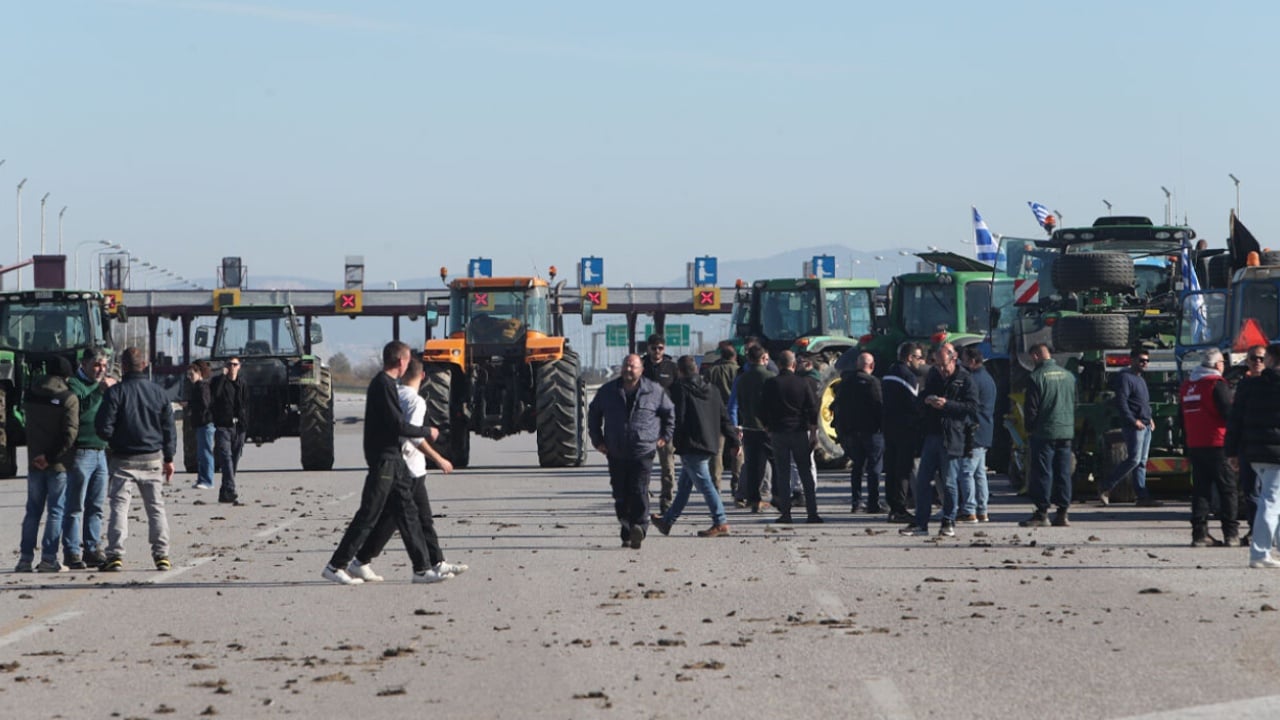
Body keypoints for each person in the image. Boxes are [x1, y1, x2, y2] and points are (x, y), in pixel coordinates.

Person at [322, 341, 438, 585]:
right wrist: (427, 431)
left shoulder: (389, 385)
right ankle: (336, 565)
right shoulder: (382, 385)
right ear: (400, 361)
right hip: (384, 460)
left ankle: (421, 569)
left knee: (407, 512)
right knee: (369, 514)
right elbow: (398, 426)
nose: (408, 364)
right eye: (407, 360)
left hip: (395, 460)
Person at [352, 358, 468, 582]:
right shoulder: (415, 401)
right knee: (401, 519)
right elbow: (412, 436)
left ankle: (436, 562)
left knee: (413, 518)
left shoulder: (394, 394)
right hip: (409, 468)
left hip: (403, 465)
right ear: (423, 376)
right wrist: (439, 458)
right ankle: (416, 567)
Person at [96, 348, 176, 572]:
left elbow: (103, 428)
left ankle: (115, 554)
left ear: (123, 366)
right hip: (152, 458)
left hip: (123, 458)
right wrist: (169, 458)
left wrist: (116, 440)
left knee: (119, 508)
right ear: (144, 365)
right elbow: (169, 429)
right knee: (156, 508)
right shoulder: (159, 393)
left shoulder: (116, 393)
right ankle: (162, 554)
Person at [588, 353, 674, 549]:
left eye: (633, 366)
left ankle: (640, 527)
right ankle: (627, 530)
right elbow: (594, 414)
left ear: (641, 370)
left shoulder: (654, 390)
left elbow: (669, 413)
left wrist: (665, 436)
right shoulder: (608, 391)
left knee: (639, 489)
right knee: (620, 493)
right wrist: (597, 440)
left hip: (642, 449)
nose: (629, 369)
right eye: (626, 366)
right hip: (616, 450)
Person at [651, 356, 737, 537]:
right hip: (709, 442)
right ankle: (667, 521)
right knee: (684, 486)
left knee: (705, 485)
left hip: (691, 444)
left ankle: (720, 521)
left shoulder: (679, 389)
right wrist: (734, 440)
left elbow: (679, 417)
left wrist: (671, 438)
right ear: (696, 369)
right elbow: (724, 417)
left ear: (680, 372)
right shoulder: (712, 390)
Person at [899, 342, 977, 538]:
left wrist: (947, 405)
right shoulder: (933, 375)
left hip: (952, 437)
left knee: (949, 482)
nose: (941, 369)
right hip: (932, 435)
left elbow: (972, 407)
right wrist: (925, 400)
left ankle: (948, 521)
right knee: (923, 480)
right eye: (937, 364)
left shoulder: (965, 379)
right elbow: (921, 397)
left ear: (954, 359)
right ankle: (921, 523)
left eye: (944, 365)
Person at [16, 357, 79, 573]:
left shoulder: (30, 394)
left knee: (32, 512)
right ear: (66, 375)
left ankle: (24, 559)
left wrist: (39, 456)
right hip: (57, 464)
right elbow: (69, 435)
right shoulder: (68, 398)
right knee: (55, 511)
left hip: (34, 461)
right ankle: (49, 559)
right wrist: (50, 457)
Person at [1226, 343, 1280, 568]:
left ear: (1269, 360)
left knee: (1272, 500)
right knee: (1271, 501)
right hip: (1276, 453)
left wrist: (1232, 451)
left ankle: (1268, 549)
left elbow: (1235, 420)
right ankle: (1260, 553)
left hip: (1254, 452)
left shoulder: (1249, 385)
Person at [1180, 348, 1238, 547]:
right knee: (1227, 489)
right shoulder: (1216, 384)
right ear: (1217, 365)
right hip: (1217, 443)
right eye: (1223, 362)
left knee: (1201, 490)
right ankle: (1231, 534)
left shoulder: (1188, 386)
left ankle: (1199, 534)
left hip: (1195, 444)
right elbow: (1228, 414)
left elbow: (1181, 417)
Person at [62, 350, 113, 570]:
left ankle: (92, 549)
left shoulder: (105, 385)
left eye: (104, 365)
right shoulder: (74, 384)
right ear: (84, 364)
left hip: (101, 451)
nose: (101, 369)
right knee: (75, 506)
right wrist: (99, 392)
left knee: (96, 505)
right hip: (81, 452)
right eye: (96, 365)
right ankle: (72, 551)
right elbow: (78, 410)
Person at [1018, 344, 1077, 528]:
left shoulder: (1036, 377)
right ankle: (1063, 513)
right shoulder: (1069, 376)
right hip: (1066, 431)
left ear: (1036, 356)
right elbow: (1075, 402)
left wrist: (1029, 429)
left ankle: (1042, 513)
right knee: (1063, 472)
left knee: (1043, 473)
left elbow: (1031, 409)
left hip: (1044, 432)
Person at [761, 350, 822, 524]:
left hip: (779, 432)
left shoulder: (771, 384)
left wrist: (767, 427)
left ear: (779, 364)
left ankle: (786, 513)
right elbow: (812, 409)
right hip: (799, 432)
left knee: (782, 474)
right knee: (805, 472)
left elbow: (762, 408)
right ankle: (812, 513)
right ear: (793, 365)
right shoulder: (803, 383)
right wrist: (813, 433)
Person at [1099, 348, 1162, 507]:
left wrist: (1149, 418)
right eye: (1141, 360)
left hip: (1145, 425)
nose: (1144, 363)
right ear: (1132, 360)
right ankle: (1106, 487)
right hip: (1134, 427)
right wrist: (1133, 421)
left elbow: (1142, 402)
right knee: (1134, 459)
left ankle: (1142, 497)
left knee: (1141, 462)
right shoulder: (1125, 378)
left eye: (1147, 361)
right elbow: (1122, 402)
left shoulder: (1140, 379)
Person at [835, 352, 884, 514]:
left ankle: (856, 502)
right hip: (872, 431)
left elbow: (839, 407)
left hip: (852, 431)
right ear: (872, 366)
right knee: (874, 467)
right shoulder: (873, 382)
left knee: (857, 467)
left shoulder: (845, 383)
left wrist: (842, 430)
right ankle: (873, 502)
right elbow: (879, 405)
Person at [882, 342, 925, 524]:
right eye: (919, 358)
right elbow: (915, 404)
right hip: (905, 428)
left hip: (889, 427)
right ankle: (900, 508)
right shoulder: (908, 377)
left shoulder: (889, 373)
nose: (921, 362)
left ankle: (893, 507)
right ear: (909, 358)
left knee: (891, 469)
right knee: (903, 470)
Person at [732, 344, 776, 513]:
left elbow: (738, 402)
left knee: (752, 466)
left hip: (749, 426)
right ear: (763, 358)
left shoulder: (742, 379)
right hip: (767, 428)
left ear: (749, 359)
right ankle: (778, 496)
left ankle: (753, 500)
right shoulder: (770, 377)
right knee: (775, 462)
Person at [957, 346, 996, 523]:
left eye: (964, 360)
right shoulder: (988, 378)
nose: (961, 363)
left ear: (972, 362)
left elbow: (969, 405)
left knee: (966, 472)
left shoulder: (972, 380)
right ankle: (982, 510)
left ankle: (969, 510)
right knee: (979, 473)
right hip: (985, 429)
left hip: (973, 431)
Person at [642, 334, 678, 513]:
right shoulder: (641, 366)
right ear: (648, 348)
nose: (657, 351)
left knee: (667, 465)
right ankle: (642, 497)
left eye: (660, 348)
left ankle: (666, 500)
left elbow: (678, 393)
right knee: (642, 464)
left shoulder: (671, 367)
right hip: (645, 422)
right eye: (654, 348)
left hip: (665, 422)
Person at [701, 342, 741, 495]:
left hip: (715, 414)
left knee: (717, 452)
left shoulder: (712, 371)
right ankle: (737, 483)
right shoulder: (739, 371)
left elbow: (704, 392)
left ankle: (716, 484)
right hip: (735, 415)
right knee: (738, 449)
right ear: (735, 356)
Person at [209, 356, 248, 504]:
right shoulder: (217, 382)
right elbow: (215, 396)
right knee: (225, 457)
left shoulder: (242, 384)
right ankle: (231, 489)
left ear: (239, 366)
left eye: (235, 364)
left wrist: (245, 424)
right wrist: (222, 377)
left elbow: (246, 404)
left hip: (239, 427)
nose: (232, 367)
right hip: (223, 426)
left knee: (234, 459)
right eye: (229, 364)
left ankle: (224, 492)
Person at [187, 360, 215, 490]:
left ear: (199, 373)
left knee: (206, 453)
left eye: (192, 374)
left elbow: (205, 404)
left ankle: (208, 481)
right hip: (201, 424)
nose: (190, 377)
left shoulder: (203, 387)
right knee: (201, 453)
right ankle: (201, 479)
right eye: (188, 375)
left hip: (205, 424)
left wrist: (191, 406)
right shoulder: (197, 386)